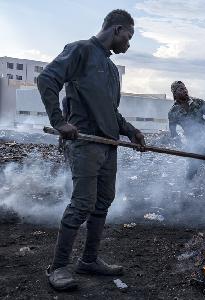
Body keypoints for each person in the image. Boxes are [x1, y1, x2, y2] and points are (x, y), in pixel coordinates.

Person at [37, 9, 145, 291]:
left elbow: (111, 112)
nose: (129, 44)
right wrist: (59, 122)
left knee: (103, 201)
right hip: (85, 143)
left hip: (108, 145)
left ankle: (89, 260)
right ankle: (58, 267)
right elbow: (46, 80)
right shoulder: (81, 50)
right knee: (82, 203)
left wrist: (131, 131)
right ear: (117, 29)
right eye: (129, 37)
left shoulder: (110, 69)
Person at [168, 81, 205, 193]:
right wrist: (180, 144)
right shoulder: (173, 112)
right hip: (192, 143)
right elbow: (173, 133)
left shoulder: (198, 102)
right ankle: (184, 192)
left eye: (185, 88)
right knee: (193, 168)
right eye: (181, 89)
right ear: (175, 93)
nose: (185, 91)